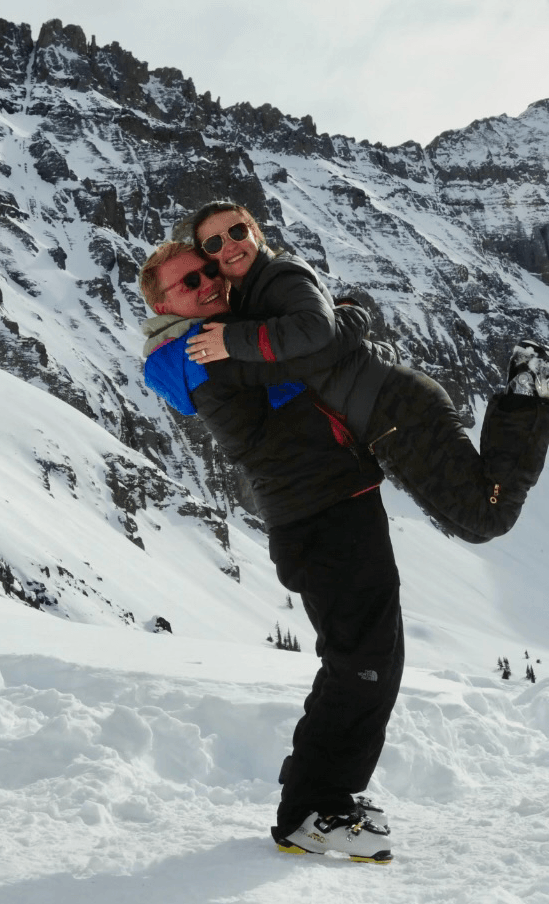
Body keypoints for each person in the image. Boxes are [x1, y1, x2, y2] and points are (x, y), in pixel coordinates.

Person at [139, 241, 400, 862]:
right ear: (162, 304)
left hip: (336, 502)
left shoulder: (227, 337)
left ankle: (324, 797)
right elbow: (321, 346)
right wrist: (351, 315)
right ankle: (309, 813)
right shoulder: (203, 354)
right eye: (188, 282)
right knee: (361, 663)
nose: (207, 282)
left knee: (370, 659)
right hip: (319, 515)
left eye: (208, 271)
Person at [178, 201, 549, 546]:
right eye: (214, 244)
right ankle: (530, 421)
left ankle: (529, 386)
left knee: (487, 516)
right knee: (474, 527)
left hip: (394, 406)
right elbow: (323, 342)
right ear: (208, 259)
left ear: (255, 231)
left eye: (237, 231)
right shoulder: (253, 298)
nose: (230, 245)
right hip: (384, 419)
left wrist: (233, 343)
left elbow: (315, 329)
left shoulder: (279, 275)